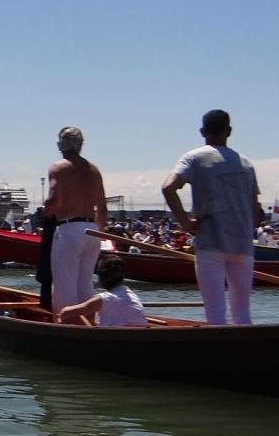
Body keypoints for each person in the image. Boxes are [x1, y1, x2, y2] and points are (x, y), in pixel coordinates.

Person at [162, 108, 263, 325]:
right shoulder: (246, 164)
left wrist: (185, 222)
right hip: (242, 245)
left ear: (202, 131)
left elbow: (168, 188)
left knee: (215, 312)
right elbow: (256, 209)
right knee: (242, 313)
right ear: (229, 131)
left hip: (210, 243)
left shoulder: (193, 158)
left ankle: (218, 346)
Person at [43, 126, 107, 312]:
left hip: (69, 228)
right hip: (92, 231)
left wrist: (48, 213)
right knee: (85, 286)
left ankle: (65, 323)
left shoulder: (58, 167)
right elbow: (102, 208)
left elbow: (52, 200)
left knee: (65, 286)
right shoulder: (94, 170)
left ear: (61, 144)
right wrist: (98, 232)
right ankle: (88, 322)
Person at [55, 256, 149, 327]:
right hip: (137, 337)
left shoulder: (104, 299)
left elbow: (64, 313)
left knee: (68, 319)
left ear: (101, 277)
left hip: (117, 340)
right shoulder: (133, 295)